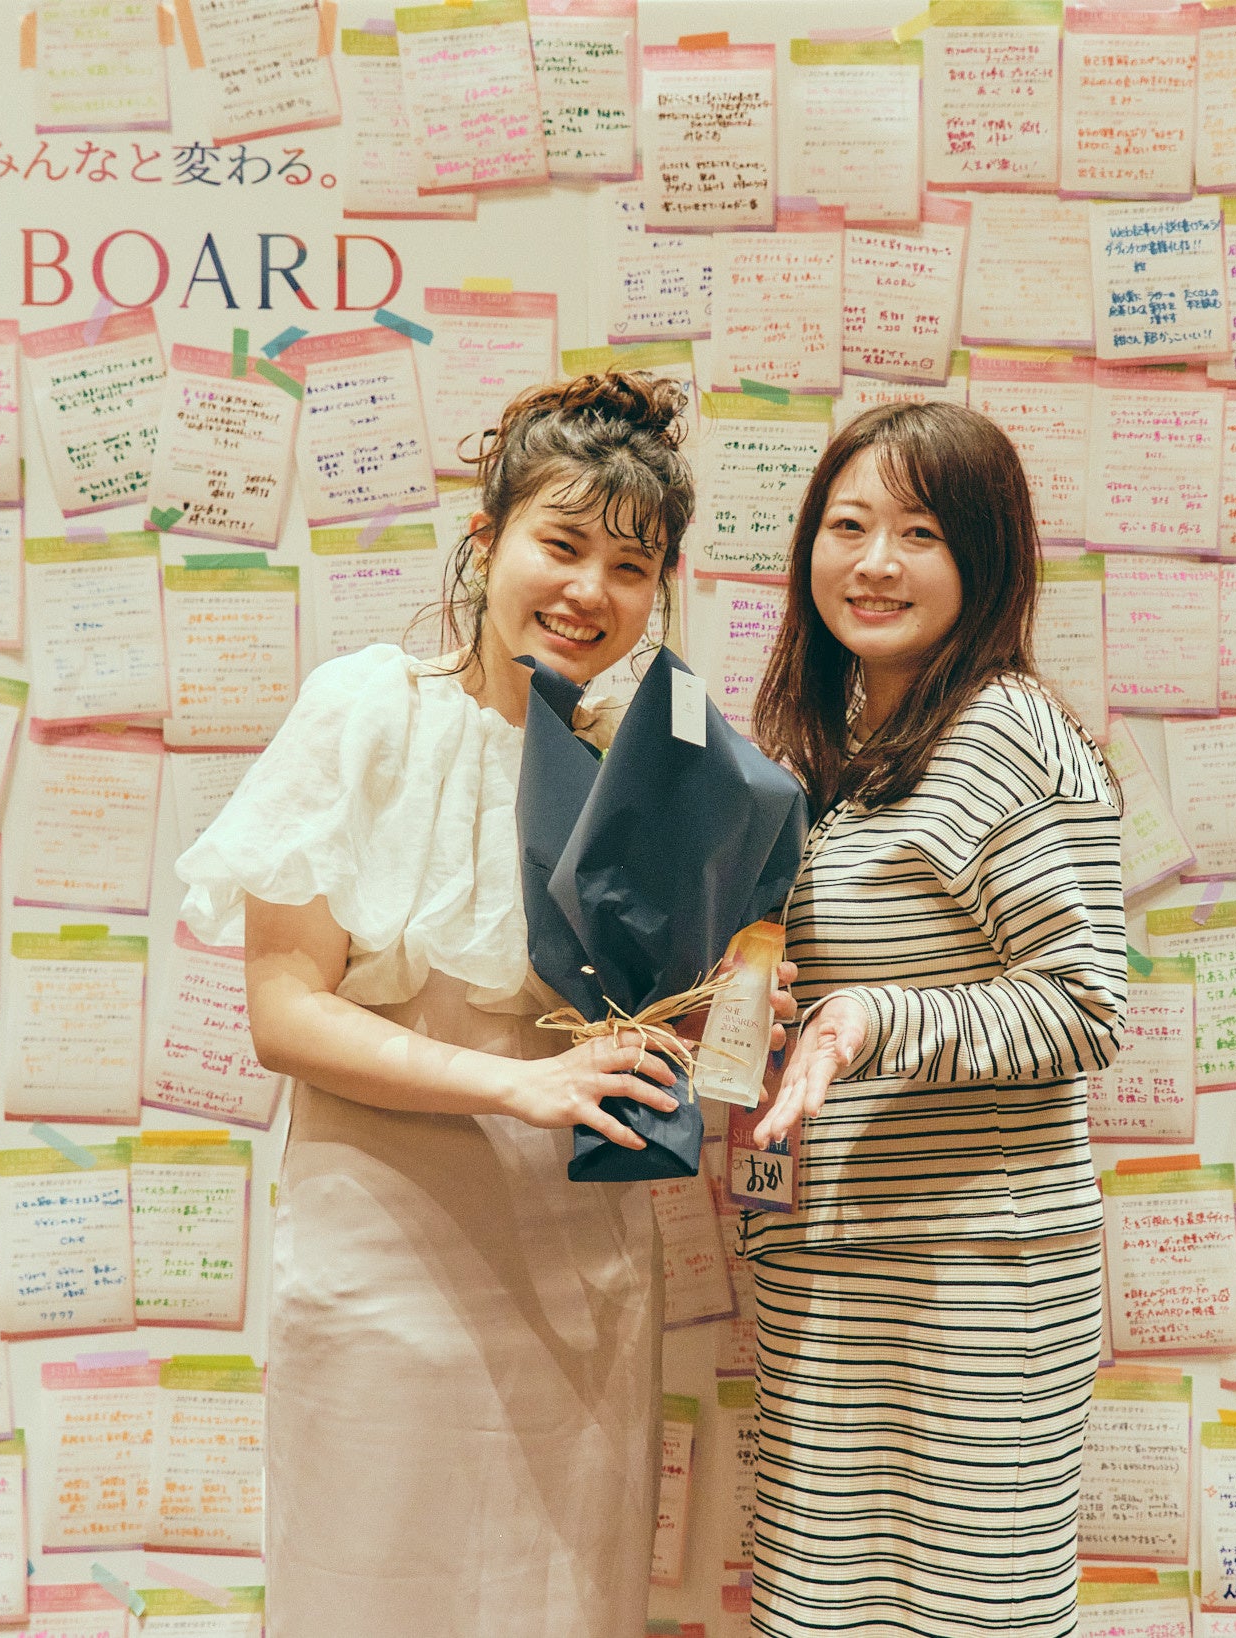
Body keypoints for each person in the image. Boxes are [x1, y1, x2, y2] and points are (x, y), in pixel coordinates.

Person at [175, 373, 790, 1638]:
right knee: (366, 1589)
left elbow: (636, 1032)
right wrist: (517, 1084)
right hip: (380, 1263)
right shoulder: (368, 712)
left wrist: (722, 1014)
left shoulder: (652, 766)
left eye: (629, 567)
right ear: (486, 539)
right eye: (559, 544)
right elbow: (285, 1014)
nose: (588, 591)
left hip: (580, 1276)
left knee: (560, 1601)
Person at [744, 400, 1129, 1636]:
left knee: (966, 1615)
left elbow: (1083, 1003)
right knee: (823, 1610)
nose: (873, 563)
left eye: (918, 533)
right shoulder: (834, 741)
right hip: (832, 1261)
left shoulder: (1003, 729)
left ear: (983, 557)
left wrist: (868, 1018)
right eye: (846, 526)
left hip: (973, 1279)